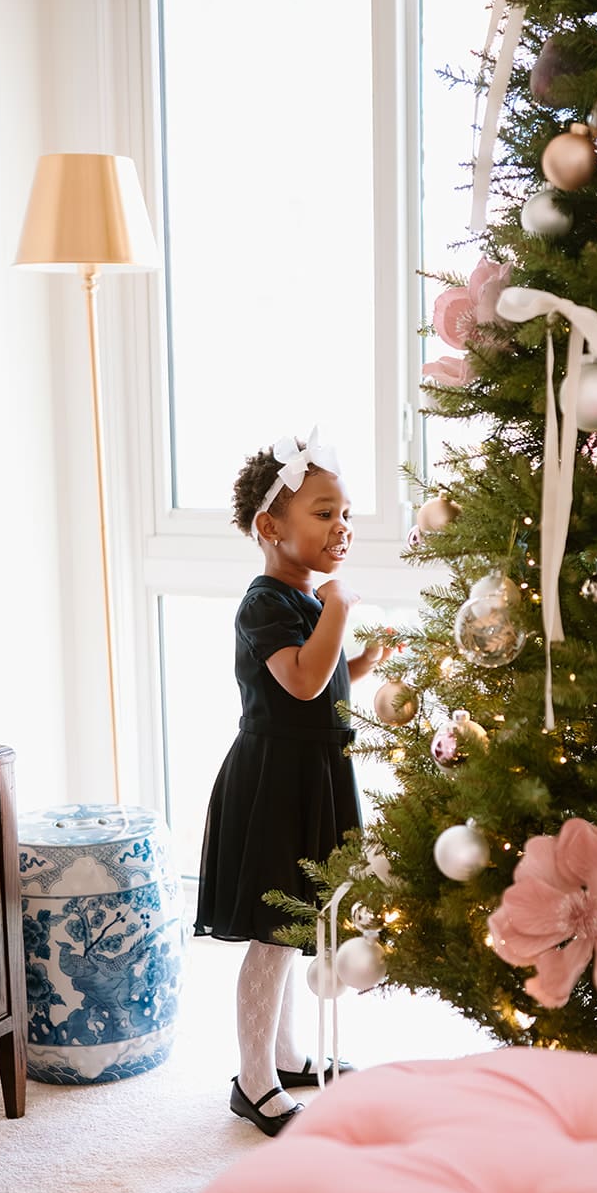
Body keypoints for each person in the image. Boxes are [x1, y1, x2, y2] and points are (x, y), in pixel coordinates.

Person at [194, 430, 390, 1136]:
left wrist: (362, 657)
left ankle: (285, 1055)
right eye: (324, 512)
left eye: (346, 515)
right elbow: (302, 682)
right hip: (275, 781)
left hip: (313, 772)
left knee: (297, 920)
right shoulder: (265, 604)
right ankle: (253, 1083)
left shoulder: (304, 602)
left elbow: (329, 676)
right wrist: (341, 606)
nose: (341, 528)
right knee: (274, 933)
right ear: (270, 529)